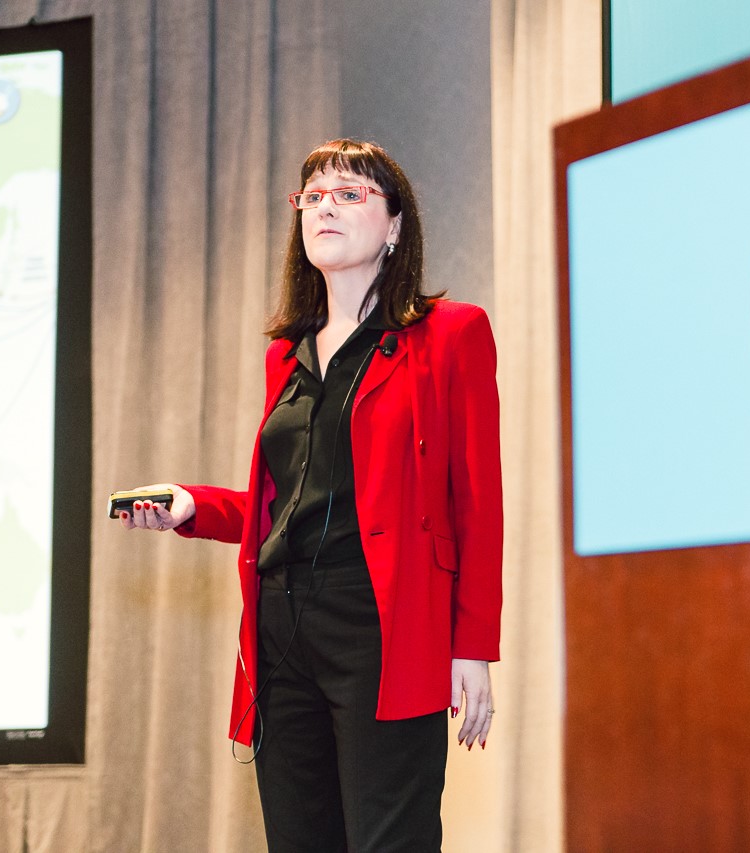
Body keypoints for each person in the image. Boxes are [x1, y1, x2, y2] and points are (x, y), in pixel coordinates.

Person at [117, 138, 502, 852]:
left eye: (350, 194)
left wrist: (472, 646)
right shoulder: (285, 354)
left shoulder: (451, 334)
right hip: (282, 624)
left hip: (381, 622)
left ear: (394, 225)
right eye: (314, 197)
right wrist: (194, 505)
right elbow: (296, 506)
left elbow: (477, 502)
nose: (326, 207)